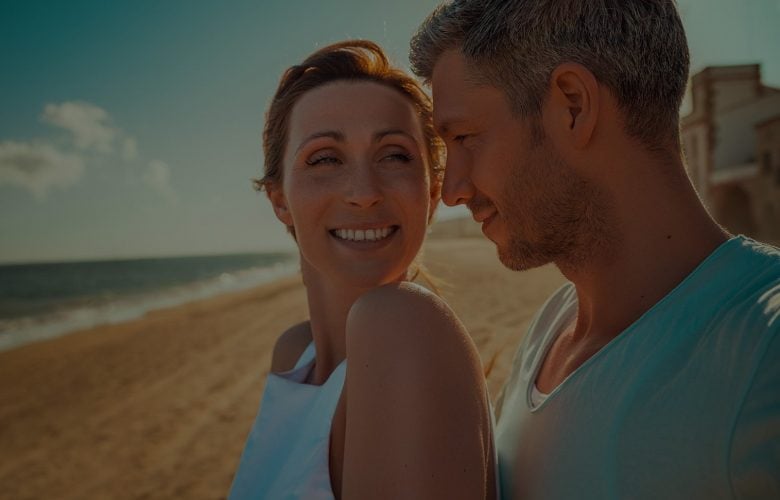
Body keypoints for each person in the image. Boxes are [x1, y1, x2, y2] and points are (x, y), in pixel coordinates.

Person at [409, 1, 780, 499]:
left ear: (573, 106)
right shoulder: (548, 330)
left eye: (466, 137)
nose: (451, 188)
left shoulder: (764, 354)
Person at [228, 40, 497, 500]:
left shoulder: (403, 326)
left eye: (394, 155)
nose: (364, 192)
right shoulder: (295, 356)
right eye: (325, 158)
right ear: (279, 201)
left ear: (431, 194)